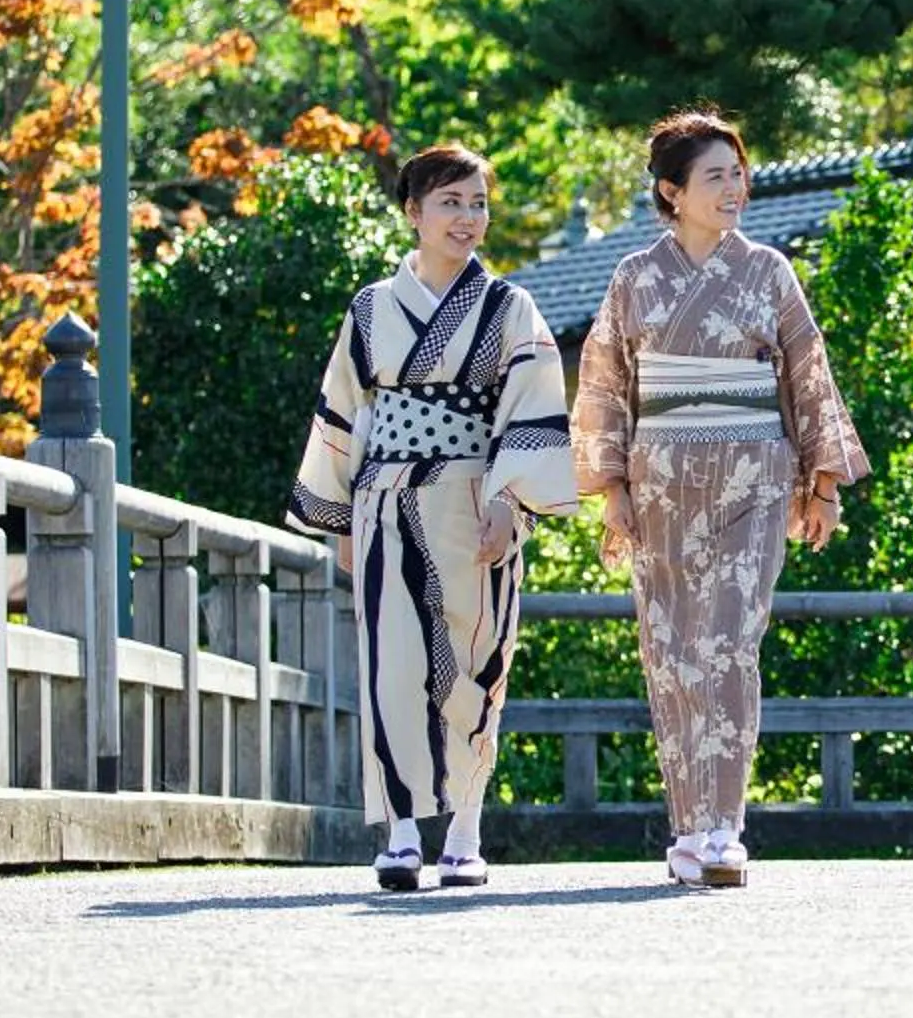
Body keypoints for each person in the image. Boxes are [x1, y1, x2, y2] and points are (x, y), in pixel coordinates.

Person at [572, 110, 868, 888]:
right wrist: (610, 490)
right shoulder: (635, 277)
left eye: (738, 173)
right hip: (661, 474)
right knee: (671, 650)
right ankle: (686, 827)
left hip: (754, 473)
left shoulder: (769, 270)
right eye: (716, 176)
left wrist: (823, 481)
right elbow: (604, 384)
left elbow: (808, 371)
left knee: (731, 642)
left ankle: (726, 828)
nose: (735, 188)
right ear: (672, 191)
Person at [288, 143, 580, 890]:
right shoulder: (370, 309)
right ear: (413, 212)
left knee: (477, 663)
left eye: (478, 203)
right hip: (386, 500)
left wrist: (509, 503)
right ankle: (402, 833)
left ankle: (467, 828)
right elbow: (342, 414)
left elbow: (534, 410)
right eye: (451, 202)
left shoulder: (511, 309)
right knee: (392, 665)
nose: (468, 217)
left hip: (474, 496)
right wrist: (343, 522)